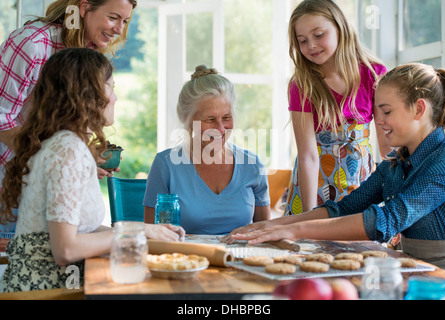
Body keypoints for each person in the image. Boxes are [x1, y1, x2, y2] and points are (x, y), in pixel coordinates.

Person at [225, 63, 445, 270]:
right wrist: (272, 225)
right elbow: (345, 208)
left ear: (419, 109)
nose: (378, 121)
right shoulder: (395, 163)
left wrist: (293, 230)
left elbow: (387, 219)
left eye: (387, 111)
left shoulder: (444, 161)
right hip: (416, 268)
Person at [0, 48, 185, 292]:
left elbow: (83, 230)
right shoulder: (68, 150)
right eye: (111, 86)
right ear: (89, 95)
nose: (116, 97)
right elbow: (65, 250)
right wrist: (141, 230)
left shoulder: (66, 144)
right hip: (47, 294)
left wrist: (143, 233)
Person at [0, 0, 137, 186]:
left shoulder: (89, 51)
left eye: (125, 21)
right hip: (9, 178)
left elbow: (63, 125)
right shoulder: (31, 44)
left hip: (48, 177)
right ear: (84, 8)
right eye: (113, 18)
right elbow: (1, 117)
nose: (119, 30)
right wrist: (60, 159)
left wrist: (83, 154)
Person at [284, 0, 391, 217]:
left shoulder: (374, 73)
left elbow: (386, 144)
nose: (311, 45)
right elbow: (307, 156)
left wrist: (392, 196)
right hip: (314, 188)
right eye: (302, 41)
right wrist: (308, 215)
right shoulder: (302, 84)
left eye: (319, 34)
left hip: (361, 185)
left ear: (340, 28)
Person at [143, 65, 271, 235]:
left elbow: (266, 233)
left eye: (226, 118)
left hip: (239, 260)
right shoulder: (166, 165)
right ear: (187, 120)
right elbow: (153, 236)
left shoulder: (252, 165)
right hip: (186, 259)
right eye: (210, 119)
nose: (220, 128)